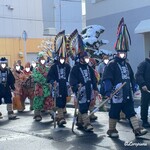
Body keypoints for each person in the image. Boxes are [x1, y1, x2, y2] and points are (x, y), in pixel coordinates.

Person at [102, 18, 148, 138]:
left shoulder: (127, 64)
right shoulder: (111, 64)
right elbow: (107, 78)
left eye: (124, 52)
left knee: (130, 111)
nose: (123, 54)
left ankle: (137, 129)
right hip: (116, 94)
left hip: (127, 93)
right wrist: (108, 91)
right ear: (117, 52)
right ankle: (112, 130)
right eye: (121, 52)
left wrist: (135, 86)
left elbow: (131, 77)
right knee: (114, 112)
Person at [70, 51, 98, 131]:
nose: (87, 59)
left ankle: (79, 122)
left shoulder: (89, 68)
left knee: (88, 104)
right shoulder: (75, 68)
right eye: (85, 58)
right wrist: (76, 86)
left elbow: (93, 79)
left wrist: (95, 89)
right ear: (81, 59)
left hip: (89, 89)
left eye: (87, 58)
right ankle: (87, 124)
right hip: (81, 90)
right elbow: (72, 79)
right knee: (83, 106)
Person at [32, 52, 53, 121]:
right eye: (41, 60)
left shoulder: (48, 69)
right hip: (39, 88)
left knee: (49, 100)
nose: (42, 61)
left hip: (47, 88)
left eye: (44, 60)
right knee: (38, 100)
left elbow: (50, 77)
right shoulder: (36, 69)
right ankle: (37, 114)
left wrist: (49, 82)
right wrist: (45, 81)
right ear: (38, 60)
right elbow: (36, 77)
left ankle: (52, 112)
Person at [135, 56, 150, 128]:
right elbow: (138, 75)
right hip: (146, 88)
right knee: (145, 104)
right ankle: (144, 120)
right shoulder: (144, 64)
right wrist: (142, 84)